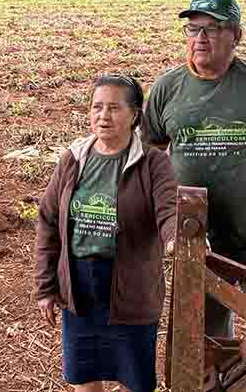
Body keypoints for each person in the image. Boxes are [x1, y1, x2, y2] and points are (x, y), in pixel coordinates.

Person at [143, 0, 246, 382]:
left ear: (236, 35)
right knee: (208, 339)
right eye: (193, 28)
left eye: (212, 28)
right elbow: (152, 151)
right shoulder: (167, 88)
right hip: (199, 240)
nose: (200, 37)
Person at [35, 74, 178, 392]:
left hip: (130, 289)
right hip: (81, 289)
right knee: (84, 377)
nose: (103, 116)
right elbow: (48, 221)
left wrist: (175, 238)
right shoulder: (74, 159)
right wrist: (46, 287)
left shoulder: (152, 163)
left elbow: (169, 209)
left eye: (114, 108)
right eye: (97, 107)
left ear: (135, 115)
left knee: (135, 380)